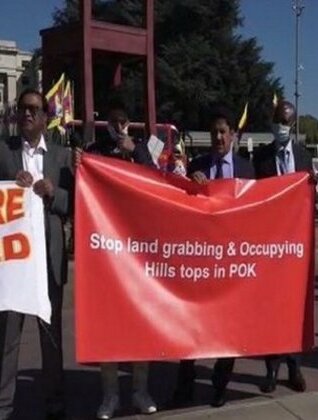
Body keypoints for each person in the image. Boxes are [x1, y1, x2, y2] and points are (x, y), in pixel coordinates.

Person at [76, 98, 157, 419]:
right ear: (105, 124)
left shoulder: (139, 151)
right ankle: (110, 395)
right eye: (113, 122)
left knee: (140, 323)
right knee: (108, 324)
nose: (118, 127)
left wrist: (134, 151)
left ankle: (140, 390)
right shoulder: (95, 152)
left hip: (138, 252)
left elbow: (155, 180)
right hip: (106, 251)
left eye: (123, 121)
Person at [172, 106, 254, 409]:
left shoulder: (247, 169)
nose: (218, 137)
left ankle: (220, 384)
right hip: (202, 260)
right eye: (214, 132)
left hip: (233, 260)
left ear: (232, 134)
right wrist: (192, 188)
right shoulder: (198, 165)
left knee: (228, 326)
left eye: (223, 131)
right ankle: (185, 385)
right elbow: (183, 208)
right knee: (190, 323)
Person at [0, 89, 73, 420]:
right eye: (22, 109)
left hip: (49, 262)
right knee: (7, 339)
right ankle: (4, 406)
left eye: (33, 109)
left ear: (45, 117)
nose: (26, 114)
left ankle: (56, 402)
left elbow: (73, 204)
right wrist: (9, 185)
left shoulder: (61, 156)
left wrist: (53, 192)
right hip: (15, 263)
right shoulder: (3, 151)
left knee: (51, 338)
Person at [252, 100, 312, 394]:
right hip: (268, 247)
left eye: (286, 122)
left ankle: (294, 367)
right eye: (277, 121)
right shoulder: (260, 159)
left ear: (293, 124)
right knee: (269, 310)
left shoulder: (303, 157)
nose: (281, 127)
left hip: (296, 248)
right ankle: (271, 369)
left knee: (294, 309)